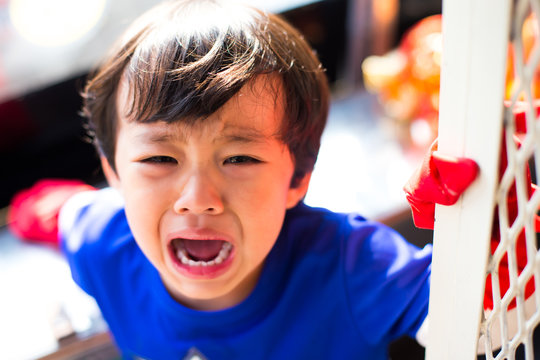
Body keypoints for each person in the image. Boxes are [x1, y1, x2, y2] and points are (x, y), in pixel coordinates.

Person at [7, 0, 485, 359]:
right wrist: (43, 209)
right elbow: (57, 211)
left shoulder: (350, 266)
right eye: (159, 159)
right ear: (113, 172)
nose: (198, 200)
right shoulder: (101, 240)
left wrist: (481, 211)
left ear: (298, 176)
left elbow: (482, 307)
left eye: (238, 158)